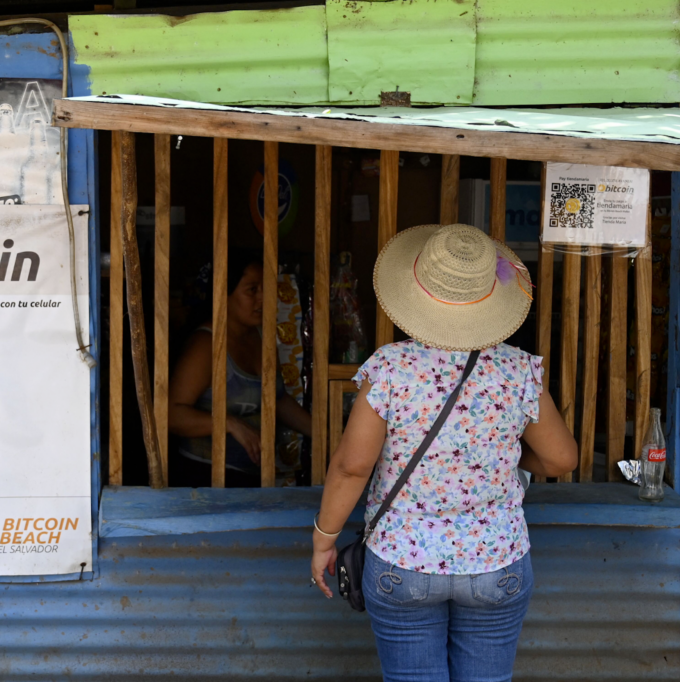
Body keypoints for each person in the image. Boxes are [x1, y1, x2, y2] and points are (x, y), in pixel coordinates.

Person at [310, 224, 578, 682]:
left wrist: (323, 540)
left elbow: (352, 467)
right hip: (497, 561)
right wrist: (504, 458)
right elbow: (560, 460)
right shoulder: (518, 370)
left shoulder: (391, 368)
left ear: (416, 293)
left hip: (402, 561)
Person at [169, 253, 312, 487]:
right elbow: (171, 415)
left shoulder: (262, 337)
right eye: (252, 290)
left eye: (265, 288)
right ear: (223, 293)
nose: (263, 298)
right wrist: (229, 423)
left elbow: (276, 399)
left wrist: (326, 437)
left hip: (254, 477)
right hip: (203, 479)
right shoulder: (206, 346)